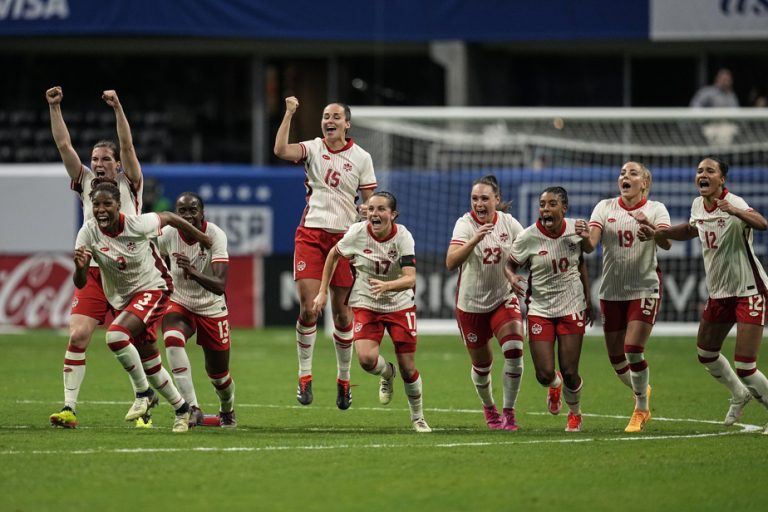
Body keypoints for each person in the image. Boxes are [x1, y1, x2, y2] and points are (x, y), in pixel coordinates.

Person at [74, 179, 212, 432]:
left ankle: (143, 394)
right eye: (96, 204)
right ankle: (183, 410)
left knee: (115, 336)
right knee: (151, 364)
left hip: (154, 288)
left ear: (118, 205)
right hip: (125, 299)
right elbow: (80, 282)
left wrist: (201, 236)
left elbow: (170, 216)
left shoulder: (137, 224)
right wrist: (80, 269)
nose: (101, 209)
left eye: (108, 204)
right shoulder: (87, 232)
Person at [46, 87, 147, 428]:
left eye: (106, 159)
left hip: (132, 272)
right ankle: (69, 407)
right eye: (96, 158)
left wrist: (118, 107)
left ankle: (143, 402)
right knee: (77, 335)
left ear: (117, 163)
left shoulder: (129, 182)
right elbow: (63, 146)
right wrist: (54, 107)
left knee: (141, 346)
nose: (99, 164)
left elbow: (129, 145)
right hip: (95, 268)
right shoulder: (85, 181)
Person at [647, 157, 768, 433]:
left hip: (749, 291)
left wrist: (737, 212)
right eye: (700, 170)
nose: (703, 174)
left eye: (710, 171)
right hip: (719, 294)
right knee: (706, 352)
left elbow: (762, 223)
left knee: (745, 365)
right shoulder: (697, 205)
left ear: (721, 179)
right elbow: (691, 229)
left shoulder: (734, 202)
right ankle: (739, 394)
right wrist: (657, 233)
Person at [274, 96, 377, 409]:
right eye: (324, 116)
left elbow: (371, 202)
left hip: (346, 240)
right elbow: (280, 150)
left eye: (335, 116)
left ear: (347, 123)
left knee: (344, 315)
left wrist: (366, 212)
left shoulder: (361, 157)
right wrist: (290, 113)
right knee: (309, 309)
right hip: (311, 236)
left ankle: (343, 380)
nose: (328, 121)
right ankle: (304, 377)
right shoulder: (313, 148)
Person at [312, 192, 430, 432]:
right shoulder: (357, 233)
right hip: (366, 302)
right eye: (371, 209)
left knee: (409, 367)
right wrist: (322, 291)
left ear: (393, 215)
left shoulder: (403, 237)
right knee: (366, 360)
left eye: (381, 209)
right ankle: (387, 374)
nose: (374, 214)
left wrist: (387, 286)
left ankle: (418, 417)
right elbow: (334, 254)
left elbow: (410, 279)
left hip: (399, 304)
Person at [584, 162, 671, 432]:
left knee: (633, 349)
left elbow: (666, 243)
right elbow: (590, 246)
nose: (625, 176)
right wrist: (579, 236)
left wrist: (653, 231)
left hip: (644, 287)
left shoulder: (656, 209)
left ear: (644, 183)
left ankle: (641, 409)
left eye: (632, 173)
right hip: (611, 290)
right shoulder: (604, 207)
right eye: (622, 173)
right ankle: (643, 389)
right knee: (616, 359)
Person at [505, 186, 592, 432]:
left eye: (552, 204)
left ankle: (575, 413)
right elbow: (509, 264)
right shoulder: (528, 236)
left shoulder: (577, 229)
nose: (545, 209)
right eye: (542, 204)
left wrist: (588, 298)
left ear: (564, 208)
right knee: (544, 373)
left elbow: (583, 260)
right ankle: (555, 385)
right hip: (540, 309)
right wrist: (511, 277)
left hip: (571, 306)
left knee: (570, 370)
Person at [446, 176, 525, 431]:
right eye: (475, 199)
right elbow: (450, 262)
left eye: (484, 198)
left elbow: (529, 248)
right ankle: (489, 408)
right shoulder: (464, 224)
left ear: (496, 200)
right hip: (471, 306)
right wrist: (474, 240)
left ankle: (509, 412)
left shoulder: (509, 224)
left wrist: (514, 275)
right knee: (482, 367)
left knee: (513, 349)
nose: (479, 204)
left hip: (503, 298)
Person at [156, 192, 236, 428]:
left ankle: (227, 409)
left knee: (219, 376)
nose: (188, 215)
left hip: (211, 307)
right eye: (182, 211)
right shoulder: (168, 235)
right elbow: (156, 259)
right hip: (180, 302)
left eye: (193, 210)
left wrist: (194, 272)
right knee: (171, 338)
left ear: (202, 213)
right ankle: (192, 408)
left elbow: (220, 285)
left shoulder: (215, 235)